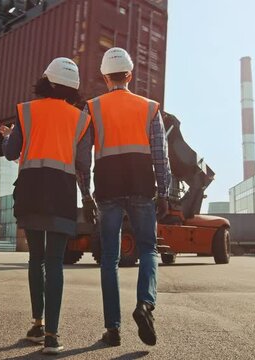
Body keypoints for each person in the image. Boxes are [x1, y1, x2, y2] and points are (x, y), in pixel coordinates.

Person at [0, 57, 92, 355]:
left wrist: (7, 138)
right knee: (55, 262)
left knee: (35, 258)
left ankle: (37, 323)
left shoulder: (26, 112)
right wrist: (87, 195)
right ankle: (52, 335)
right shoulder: (81, 119)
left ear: (47, 81)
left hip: (31, 192)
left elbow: (12, 151)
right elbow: (83, 164)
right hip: (62, 193)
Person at [82, 47, 171, 347]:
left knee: (110, 258)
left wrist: (84, 193)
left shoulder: (92, 108)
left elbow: (82, 156)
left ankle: (113, 330)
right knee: (148, 250)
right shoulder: (149, 107)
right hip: (142, 186)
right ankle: (145, 305)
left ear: (105, 77)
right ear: (130, 75)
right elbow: (160, 154)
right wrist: (165, 190)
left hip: (107, 187)